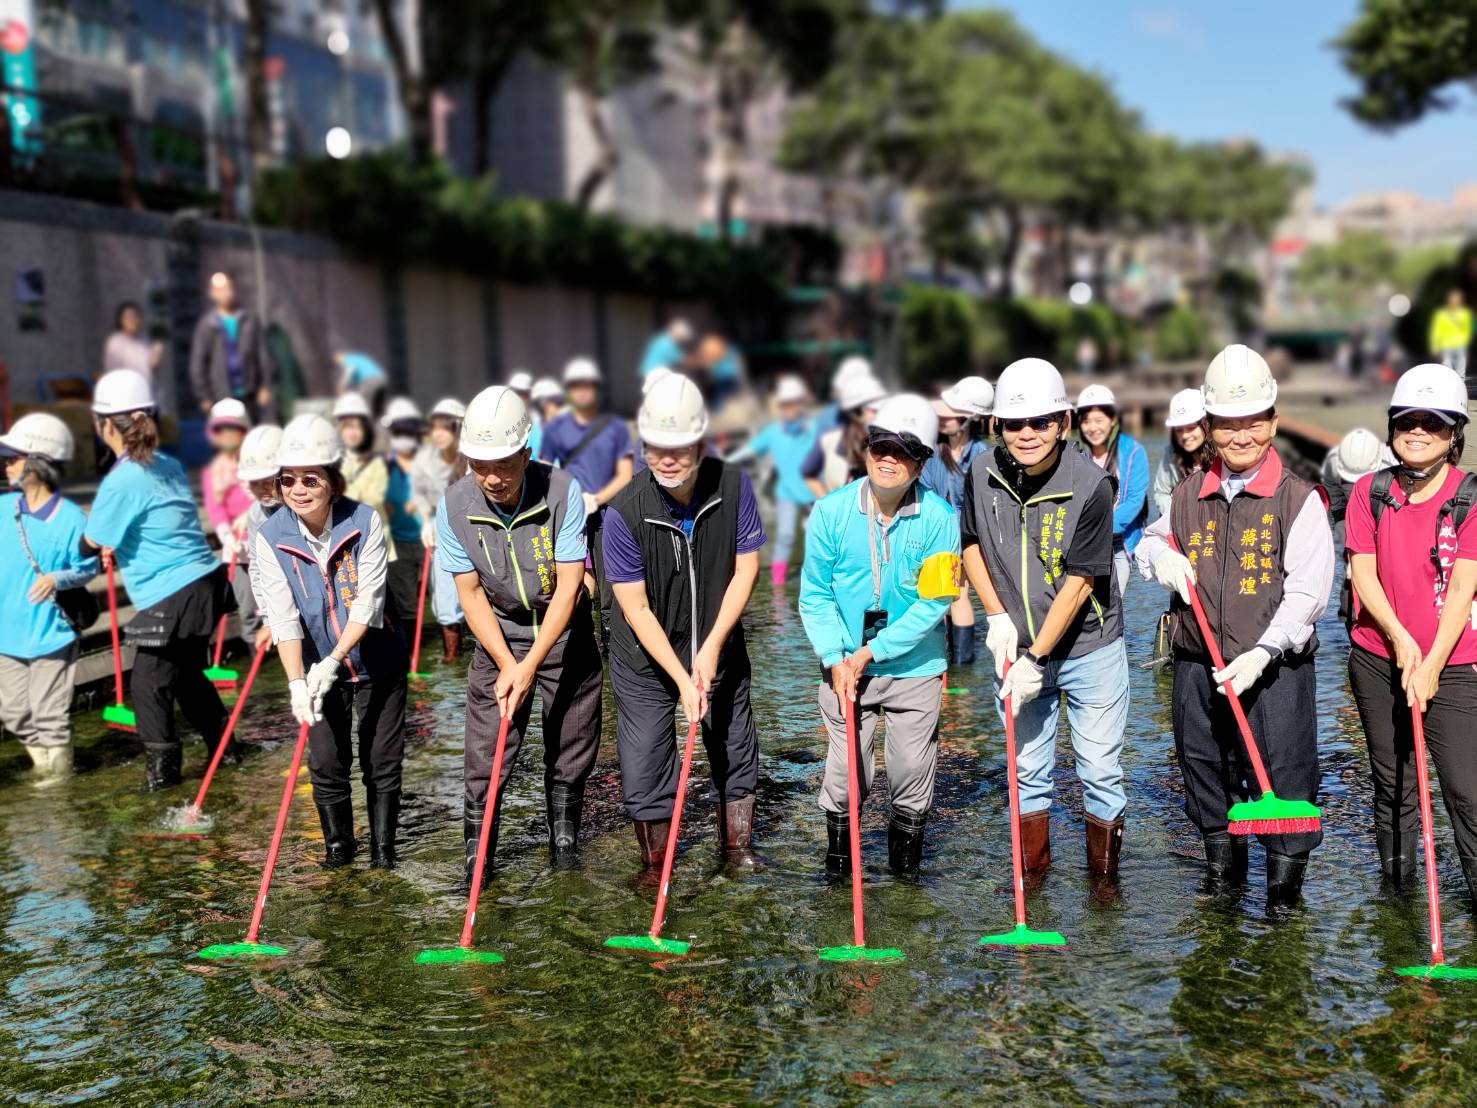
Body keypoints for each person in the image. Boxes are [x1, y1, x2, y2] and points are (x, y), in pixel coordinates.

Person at [1138, 345, 1334, 915]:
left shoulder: (1299, 502)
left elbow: (1307, 594)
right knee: (1203, 771)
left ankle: (1282, 904)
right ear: (1209, 427)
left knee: (1285, 782)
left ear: (1273, 422)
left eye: (1253, 422)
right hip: (1199, 663)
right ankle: (1222, 887)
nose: (1241, 435)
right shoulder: (1186, 494)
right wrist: (1159, 559)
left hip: (1273, 671)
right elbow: (1151, 539)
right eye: (1227, 423)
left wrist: (1265, 650)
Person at [961, 359, 1129, 892]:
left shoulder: (1092, 485)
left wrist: (1037, 660)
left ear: (1063, 421)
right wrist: (994, 617)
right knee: (1025, 774)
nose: (1027, 434)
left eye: (1040, 421)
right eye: (1014, 423)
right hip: (1015, 648)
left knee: (1098, 772)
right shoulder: (981, 471)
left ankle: (1104, 888)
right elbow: (970, 545)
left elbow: (1081, 582)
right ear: (997, 427)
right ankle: (1031, 882)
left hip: (1089, 649)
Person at [606, 374, 767, 876]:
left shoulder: (734, 486)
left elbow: (746, 568)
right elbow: (634, 609)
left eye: (679, 447)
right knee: (646, 758)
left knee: (734, 744)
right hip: (644, 654)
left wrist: (713, 644)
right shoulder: (623, 513)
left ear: (701, 441)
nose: (668, 458)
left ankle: (736, 854)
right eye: (656, 448)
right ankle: (657, 867)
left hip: (716, 637)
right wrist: (680, 677)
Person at [437, 386, 601, 882]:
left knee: (572, 747)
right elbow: (469, 594)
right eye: (479, 464)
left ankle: (564, 848)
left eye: (504, 464)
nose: (491, 477)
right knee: (486, 753)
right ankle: (478, 859)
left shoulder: (563, 491)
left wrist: (531, 666)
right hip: (498, 639)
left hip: (564, 633)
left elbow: (572, 583)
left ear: (527, 454)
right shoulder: (453, 505)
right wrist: (511, 664)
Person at [799, 394, 961, 875]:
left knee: (911, 771)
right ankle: (837, 873)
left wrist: (875, 650)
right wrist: (835, 656)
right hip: (843, 665)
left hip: (914, 666)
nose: (889, 457)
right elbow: (815, 595)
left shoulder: (941, 520)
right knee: (848, 774)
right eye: (880, 445)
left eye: (904, 449)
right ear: (865, 449)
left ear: (923, 460)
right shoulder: (829, 513)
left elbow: (935, 603)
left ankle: (903, 877)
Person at [1345, 364, 1477, 898]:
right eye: (1407, 421)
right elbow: (1362, 572)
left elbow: (1465, 584)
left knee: (1465, 790)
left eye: (1434, 423)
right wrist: (1400, 640)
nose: (1418, 431)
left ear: (1454, 435)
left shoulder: (1469, 498)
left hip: (1457, 661)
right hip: (1378, 656)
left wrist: (1430, 663)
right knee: (1394, 785)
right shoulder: (1370, 492)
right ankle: (1397, 898)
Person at [255, 415, 407, 869]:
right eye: (287, 480)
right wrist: (297, 682)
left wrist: (335, 659)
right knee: (325, 762)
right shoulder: (270, 538)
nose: (298, 489)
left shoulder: (364, 521)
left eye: (310, 479)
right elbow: (282, 618)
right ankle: (339, 855)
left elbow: (368, 602)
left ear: (332, 481)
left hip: (376, 656)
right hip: (315, 662)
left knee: (381, 761)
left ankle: (384, 855)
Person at [83, 370, 234, 790]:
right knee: (186, 674)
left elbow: (90, 542)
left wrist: (88, 545)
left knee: (148, 683)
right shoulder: (166, 464)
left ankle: (162, 781)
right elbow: (158, 521)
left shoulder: (122, 478)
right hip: (206, 580)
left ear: (105, 425)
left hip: (173, 592)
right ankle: (229, 752)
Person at [0, 414, 97, 785]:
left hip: (50, 632)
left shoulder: (71, 519)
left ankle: (59, 782)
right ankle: (44, 767)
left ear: (39, 463)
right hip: (6, 635)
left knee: (48, 714)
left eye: (14, 457)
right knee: (14, 713)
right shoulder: (3, 510)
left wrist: (58, 578)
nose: (7, 464)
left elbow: (87, 569)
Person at [539, 357, 634, 644]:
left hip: (607, 515)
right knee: (569, 583)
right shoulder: (556, 428)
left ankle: (611, 645)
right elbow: (544, 467)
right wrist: (566, 499)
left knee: (609, 588)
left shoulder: (614, 427)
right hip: (569, 516)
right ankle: (574, 640)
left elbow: (625, 474)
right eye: (576, 387)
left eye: (588, 386)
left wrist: (596, 499)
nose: (582, 392)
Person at [922, 376, 994, 664]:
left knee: (957, 595)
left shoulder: (982, 455)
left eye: (951, 414)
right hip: (936, 535)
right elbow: (926, 494)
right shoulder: (931, 453)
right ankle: (949, 661)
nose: (943, 418)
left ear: (968, 419)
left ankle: (962, 664)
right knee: (942, 598)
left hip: (968, 537)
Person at [725, 374, 818, 587]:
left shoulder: (812, 429)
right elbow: (750, 449)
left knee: (817, 537)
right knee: (785, 535)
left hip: (812, 492)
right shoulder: (773, 432)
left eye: (794, 404)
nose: (790, 409)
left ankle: (817, 578)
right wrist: (724, 461)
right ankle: (777, 582)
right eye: (785, 404)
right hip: (786, 492)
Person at [1075, 384, 1149, 598]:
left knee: (1112, 606)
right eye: (1087, 421)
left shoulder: (1133, 451)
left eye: (1099, 420)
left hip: (1118, 543)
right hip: (1085, 544)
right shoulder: (1077, 454)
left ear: (1113, 420)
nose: (1093, 427)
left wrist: (1099, 529)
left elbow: (1135, 500)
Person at [412, 398, 467, 660]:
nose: (439, 433)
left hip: (475, 532)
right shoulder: (425, 459)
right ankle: (452, 658)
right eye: (435, 427)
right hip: (441, 533)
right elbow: (419, 493)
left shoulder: (473, 457)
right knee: (445, 601)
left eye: (445, 427)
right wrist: (426, 520)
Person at [201, 398, 258, 649]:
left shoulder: (259, 464)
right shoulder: (213, 472)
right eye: (220, 429)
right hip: (237, 550)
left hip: (268, 545)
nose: (226, 435)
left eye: (231, 428)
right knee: (247, 608)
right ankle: (255, 650)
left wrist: (254, 511)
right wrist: (227, 536)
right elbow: (216, 511)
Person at [188, 271, 273, 418]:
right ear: (212, 293)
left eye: (227, 288)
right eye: (219, 290)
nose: (224, 293)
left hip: (250, 394)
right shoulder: (206, 325)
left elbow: (263, 355)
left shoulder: (249, 321)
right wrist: (204, 396)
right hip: (220, 396)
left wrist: (266, 385)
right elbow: (198, 363)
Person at [382, 396, 427, 639]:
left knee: (445, 603)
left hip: (431, 541)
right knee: (406, 602)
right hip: (398, 542)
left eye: (407, 430)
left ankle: (452, 651)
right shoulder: (383, 465)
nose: (403, 435)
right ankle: (411, 650)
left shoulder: (430, 461)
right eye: (397, 430)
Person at [237, 424, 284, 655]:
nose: (261, 489)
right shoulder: (257, 514)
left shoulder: (308, 505)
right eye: (254, 483)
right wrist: (268, 617)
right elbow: (258, 566)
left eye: (268, 480)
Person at [802, 374, 887, 499]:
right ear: (856, 412)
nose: (880, 414)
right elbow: (808, 473)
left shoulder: (890, 442)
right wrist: (828, 504)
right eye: (874, 410)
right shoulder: (829, 441)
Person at [1151, 389, 1212, 519]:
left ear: (1205, 424)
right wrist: (1176, 518)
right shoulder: (1171, 454)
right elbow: (1161, 492)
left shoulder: (1222, 453)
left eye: (1191, 428)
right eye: (1179, 430)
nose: (1185, 435)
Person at [102, 301, 162, 381]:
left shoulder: (144, 339)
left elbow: (152, 370)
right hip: (127, 389)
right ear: (120, 320)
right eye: (129, 317)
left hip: (146, 388)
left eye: (136, 316)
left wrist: (156, 354)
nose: (133, 320)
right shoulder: (115, 342)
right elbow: (113, 372)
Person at [1429, 288, 1472, 381]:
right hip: (1445, 345)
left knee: (1461, 367)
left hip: (1460, 344)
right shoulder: (1441, 314)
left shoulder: (1464, 313)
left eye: (1457, 298)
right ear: (1448, 300)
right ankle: (1449, 384)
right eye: (1453, 298)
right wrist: (1435, 346)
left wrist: (1464, 340)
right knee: (1447, 367)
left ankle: (1461, 385)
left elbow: (1467, 329)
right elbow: (1436, 331)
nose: (1455, 300)